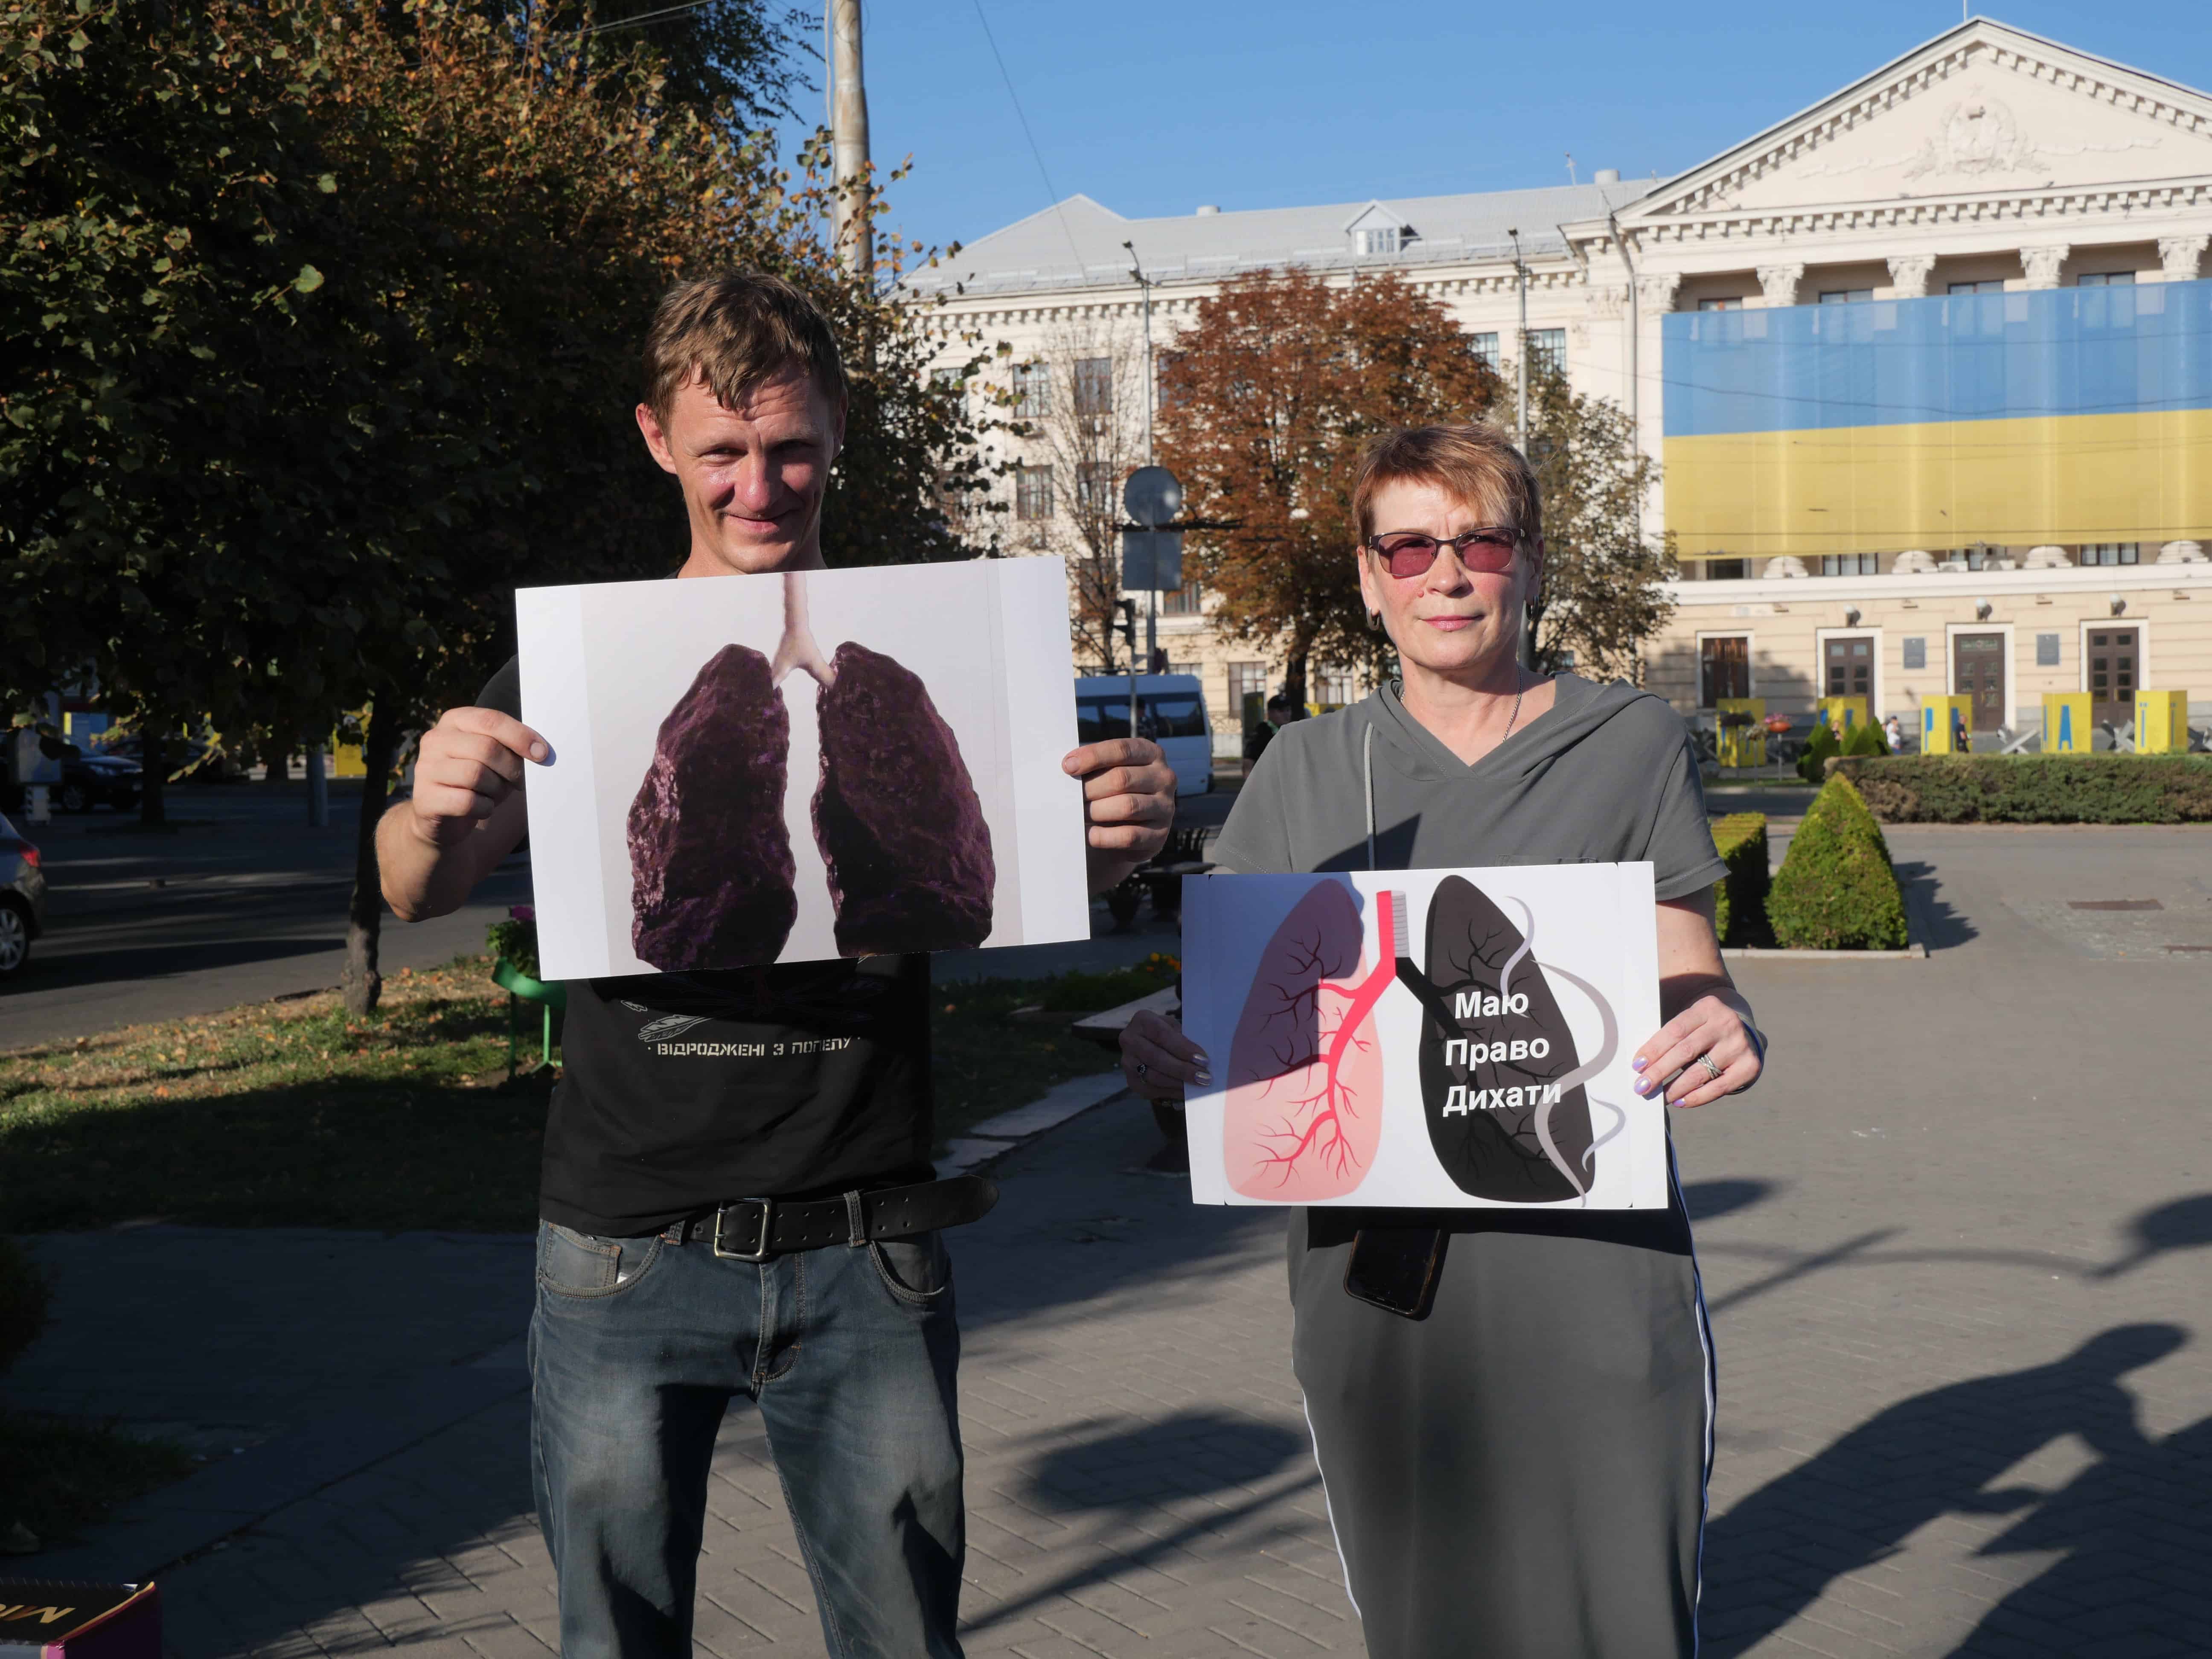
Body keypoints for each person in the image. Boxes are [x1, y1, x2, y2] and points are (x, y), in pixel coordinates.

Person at [377, 271, 1177, 1659]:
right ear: (655, 441)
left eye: (793, 448)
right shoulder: (580, 668)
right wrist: (430, 807)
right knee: (613, 1639)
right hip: (625, 1249)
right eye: (723, 455)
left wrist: (1112, 841)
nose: (761, 486)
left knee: (901, 1640)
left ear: (839, 432)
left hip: (868, 1244)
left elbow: (1027, 884)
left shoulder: (935, 655)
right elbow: (416, 882)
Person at [1118, 423, 1767, 1659]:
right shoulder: (1307, 767)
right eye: (1410, 547)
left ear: (1528, 562)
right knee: (1433, 1621)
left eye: (1480, 541)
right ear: (1369, 578)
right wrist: (1169, 1057)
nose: (1447, 575)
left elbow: (1687, 960)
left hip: (1595, 1263)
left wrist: (1719, 1023)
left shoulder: (1627, 741)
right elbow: (1237, 1013)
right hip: (1382, 1284)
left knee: (1619, 1606)